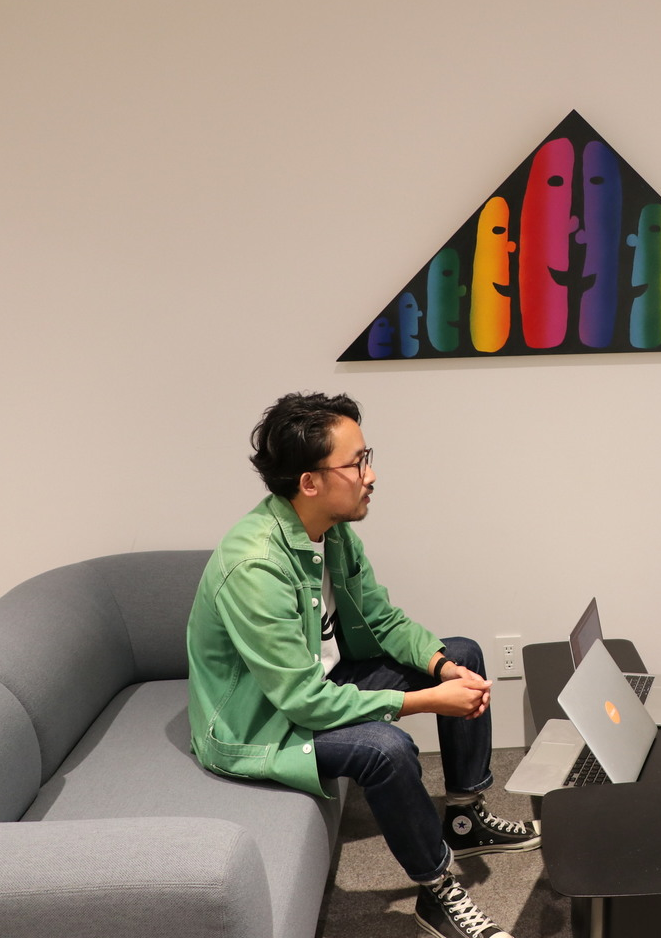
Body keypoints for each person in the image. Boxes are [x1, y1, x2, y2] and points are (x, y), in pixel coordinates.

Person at [187, 392, 539, 938]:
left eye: (366, 457)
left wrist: (441, 668)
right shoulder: (256, 566)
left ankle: (465, 817)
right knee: (385, 749)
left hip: (322, 682)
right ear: (310, 482)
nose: (370, 475)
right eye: (356, 464)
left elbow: (382, 621)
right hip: (265, 722)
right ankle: (437, 890)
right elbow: (302, 701)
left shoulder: (332, 530)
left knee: (463, 652)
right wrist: (425, 700)